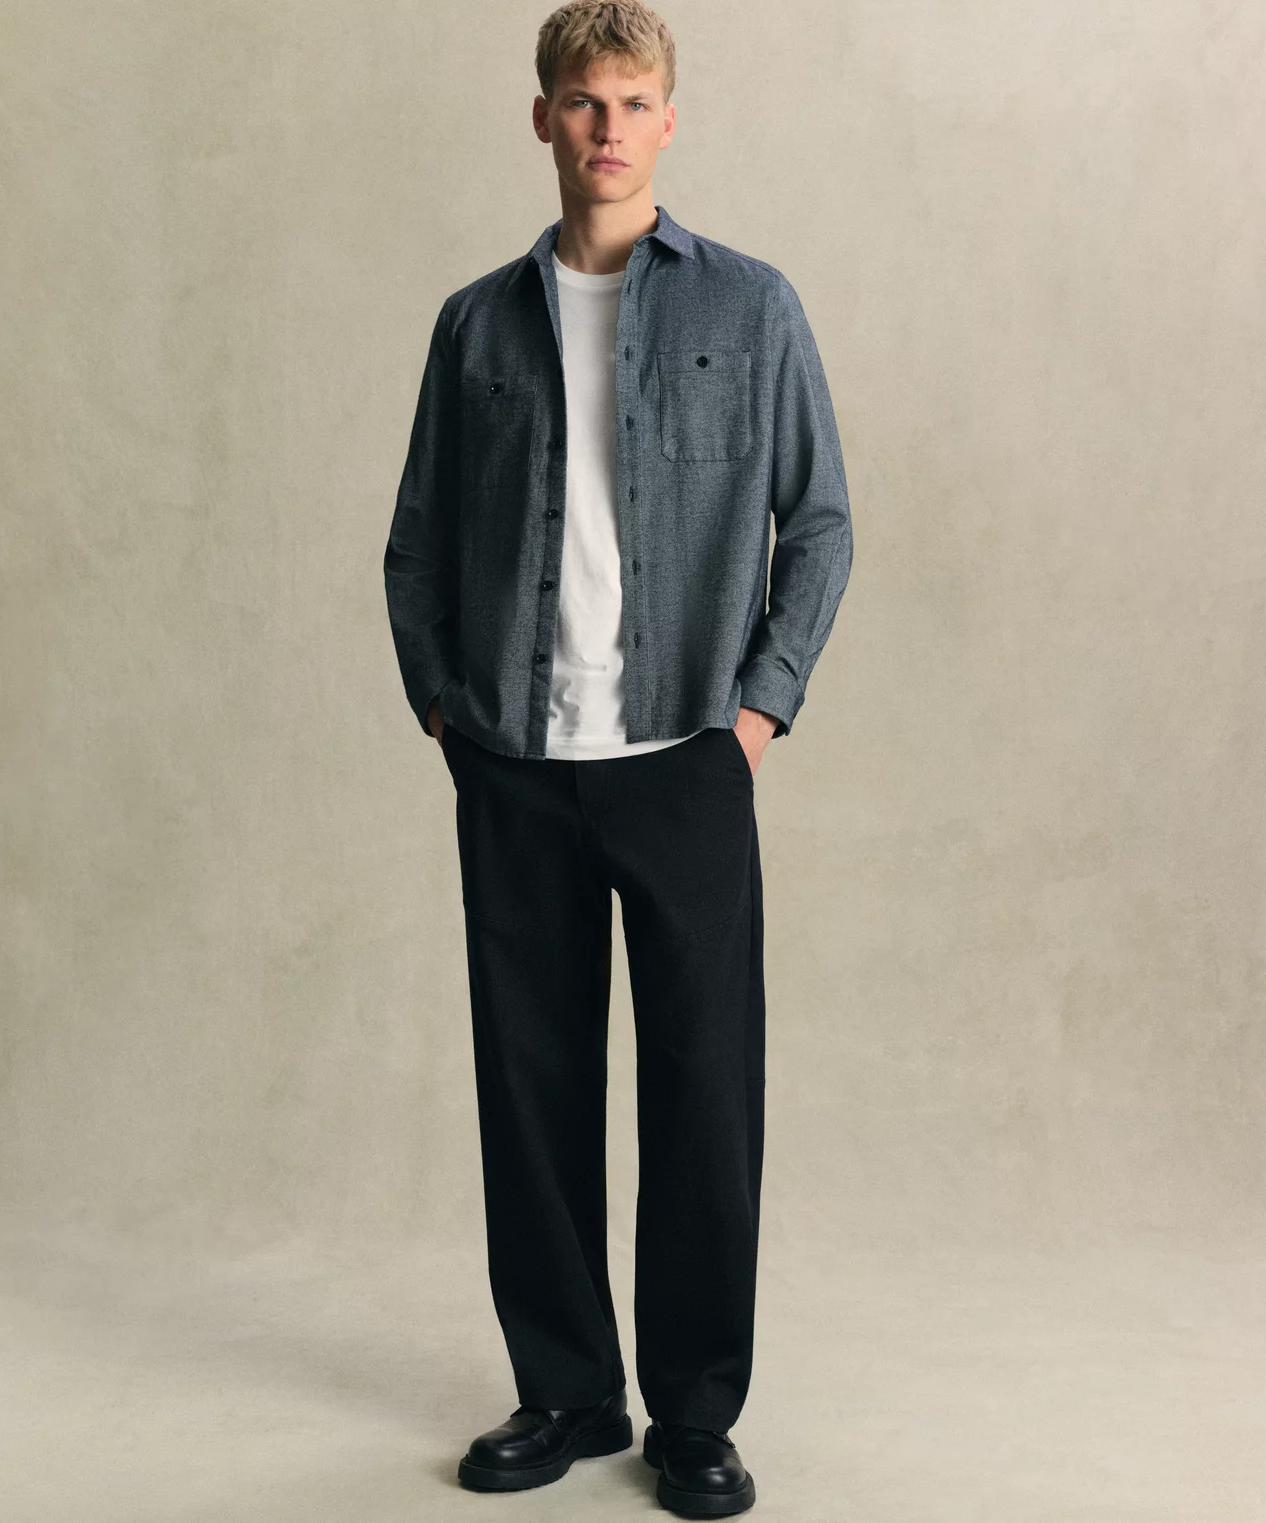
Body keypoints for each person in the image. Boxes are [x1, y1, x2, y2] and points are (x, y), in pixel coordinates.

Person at [383, 2, 852, 1514]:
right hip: (515, 761)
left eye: (634, 101)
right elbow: (416, 541)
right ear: (543, 118)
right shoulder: (476, 324)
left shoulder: (752, 308)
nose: (607, 127)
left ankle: (696, 1414)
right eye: (583, 100)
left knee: (706, 1089)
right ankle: (568, 1391)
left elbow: (820, 522)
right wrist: (447, 708)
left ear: (669, 120)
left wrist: (758, 710)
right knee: (531, 1088)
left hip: (685, 757)